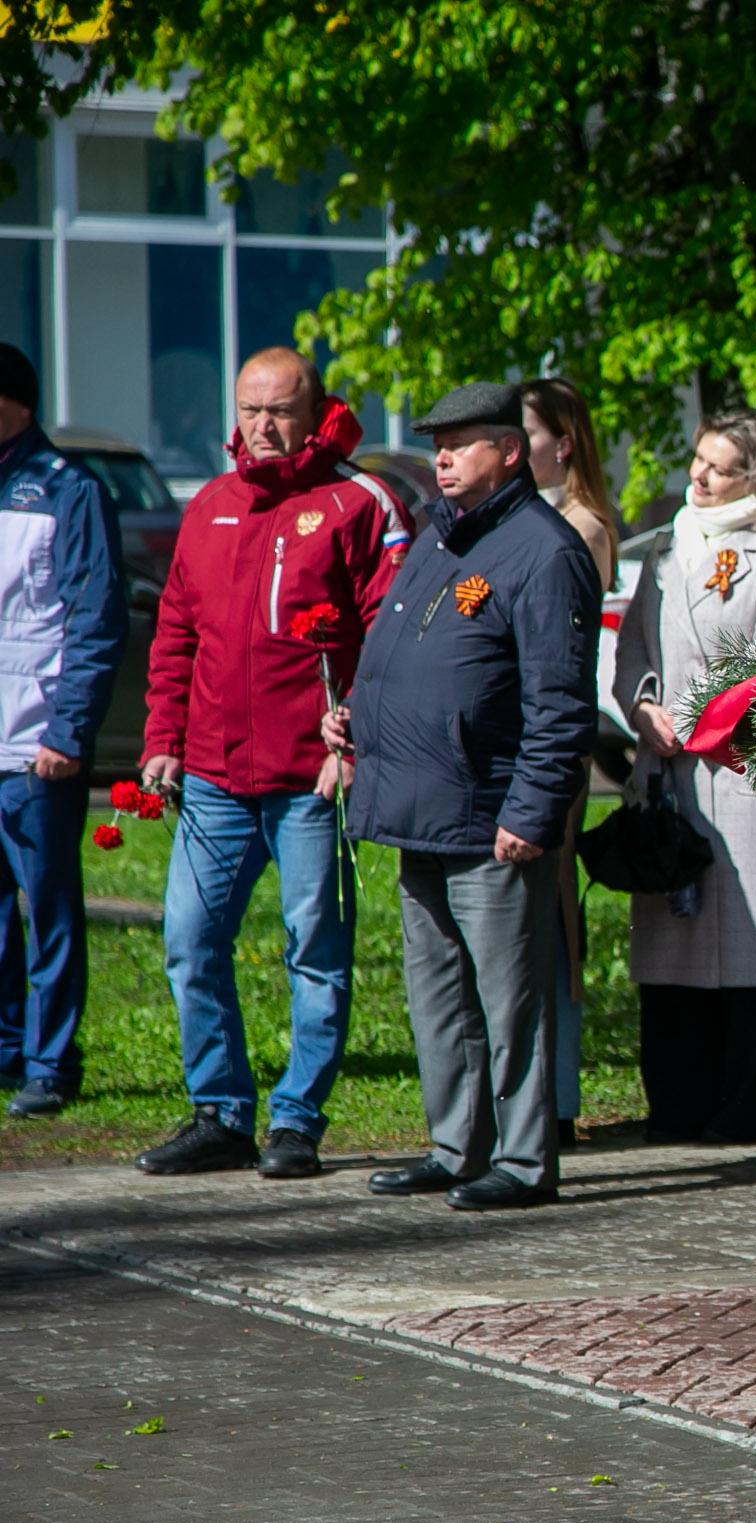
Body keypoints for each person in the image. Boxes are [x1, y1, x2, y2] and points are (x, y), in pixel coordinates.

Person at [129, 348, 411, 1177]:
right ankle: (220, 1111)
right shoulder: (210, 505)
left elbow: (391, 641)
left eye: (278, 410)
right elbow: (176, 633)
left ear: (315, 410)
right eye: (249, 410)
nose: (261, 427)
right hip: (213, 776)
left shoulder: (359, 502)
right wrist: (161, 740)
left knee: (314, 949)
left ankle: (297, 1120)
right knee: (189, 939)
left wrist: (355, 736)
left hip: (310, 782)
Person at [336, 382, 599, 1210]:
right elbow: (403, 656)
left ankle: (523, 1160)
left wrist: (530, 813)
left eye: (461, 442)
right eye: (437, 443)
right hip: (422, 805)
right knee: (439, 994)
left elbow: (559, 705)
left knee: (509, 1000)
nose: (441, 456)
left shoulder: (543, 552)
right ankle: (457, 1147)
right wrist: (359, 718)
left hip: (491, 820)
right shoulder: (438, 538)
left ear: (510, 452)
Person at [612, 409, 756, 1145]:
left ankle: (742, 1108)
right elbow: (632, 645)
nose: (697, 476)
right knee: (671, 946)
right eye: (697, 460)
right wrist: (642, 706)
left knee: (750, 944)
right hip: (668, 775)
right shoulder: (671, 545)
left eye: (718, 466)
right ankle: (675, 1103)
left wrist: (695, 717)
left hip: (741, 773)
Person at [0, 342, 126, 1120]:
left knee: (47, 909)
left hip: (36, 746)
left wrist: (68, 730)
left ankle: (51, 1061)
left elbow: (96, 619)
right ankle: (7, 1049)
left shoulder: (69, 491)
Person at [521, 377, 616, 1146]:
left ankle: (555, 1092)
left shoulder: (577, 524)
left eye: (527, 434)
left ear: (565, 442)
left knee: (551, 916)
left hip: (551, 740)